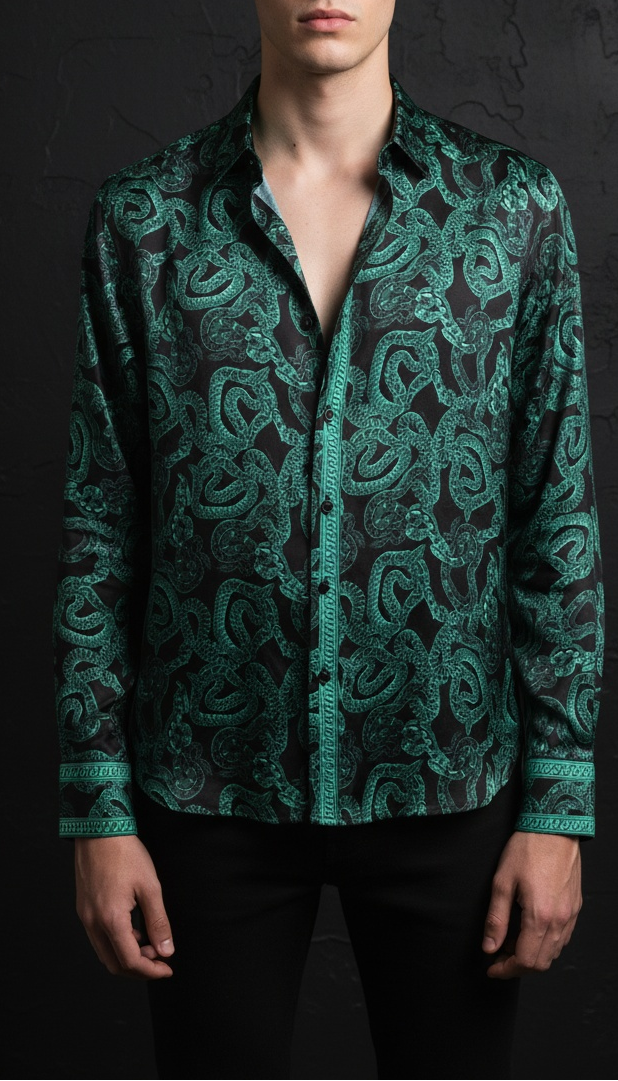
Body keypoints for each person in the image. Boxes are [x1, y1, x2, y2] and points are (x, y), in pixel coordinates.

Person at [52, 2, 605, 1079]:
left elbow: (557, 519)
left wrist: (558, 806)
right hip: (205, 793)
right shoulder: (143, 221)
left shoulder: (511, 210)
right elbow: (98, 527)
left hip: (450, 782)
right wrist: (97, 809)